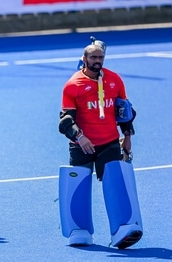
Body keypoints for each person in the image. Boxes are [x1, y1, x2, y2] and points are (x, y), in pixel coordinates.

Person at [58, 38, 143, 249]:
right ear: (84, 59)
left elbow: (124, 112)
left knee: (115, 182)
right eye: (93, 57)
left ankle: (122, 227)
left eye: (100, 57)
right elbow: (65, 120)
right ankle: (80, 229)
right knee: (80, 184)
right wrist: (80, 137)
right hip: (81, 145)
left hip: (109, 143)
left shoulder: (115, 80)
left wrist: (128, 138)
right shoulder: (73, 85)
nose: (97, 61)